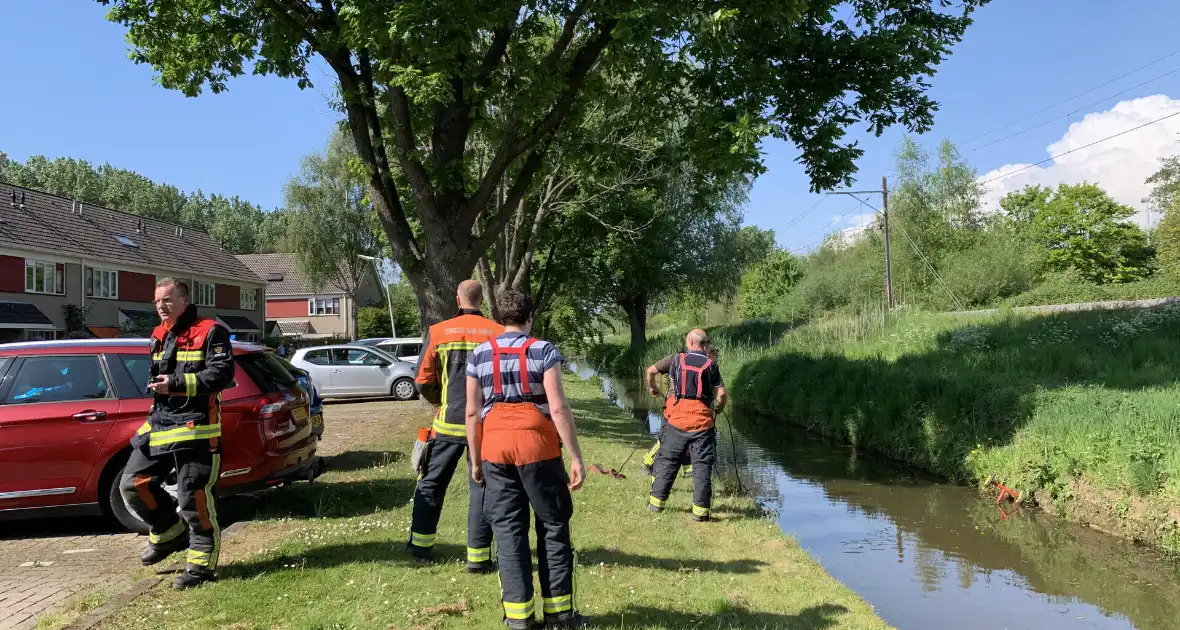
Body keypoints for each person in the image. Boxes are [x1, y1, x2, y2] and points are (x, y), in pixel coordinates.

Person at [466, 290, 590, 629]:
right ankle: (559, 614)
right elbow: (559, 407)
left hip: (494, 448)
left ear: (497, 319)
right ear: (530, 316)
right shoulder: (543, 350)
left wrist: (476, 462)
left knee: (508, 531)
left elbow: (473, 411)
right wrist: (576, 456)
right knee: (552, 525)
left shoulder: (479, 355)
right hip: (539, 449)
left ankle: (519, 619)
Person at [119, 277, 235, 589]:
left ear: (184, 300)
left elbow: (222, 375)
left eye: (167, 300)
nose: (161, 306)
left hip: (197, 427)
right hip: (160, 423)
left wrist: (177, 384)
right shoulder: (158, 334)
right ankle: (171, 535)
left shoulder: (211, 331)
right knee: (132, 485)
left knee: (193, 499)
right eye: (157, 301)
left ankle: (200, 569)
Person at [408, 279, 504, 571]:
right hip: (485, 427)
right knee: (482, 489)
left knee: (432, 484)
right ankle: (478, 558)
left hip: (448, 424)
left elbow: (422, 380)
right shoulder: (497, 334)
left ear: (457, 300)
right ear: (481, 301)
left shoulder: (439, 332)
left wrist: (441, 402)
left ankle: (421, 550)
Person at [644, 329, 727, 522]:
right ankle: (700, 513)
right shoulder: (711, 364)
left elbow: (652, 372)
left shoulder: (676, 360)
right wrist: (718, 409)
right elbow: (721, 395)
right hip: (702, 421)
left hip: (676, 418)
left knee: (668, 462)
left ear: (689, 342)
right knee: (702, 466)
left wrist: (653, 387)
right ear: (704, 344)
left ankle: (655, 505)